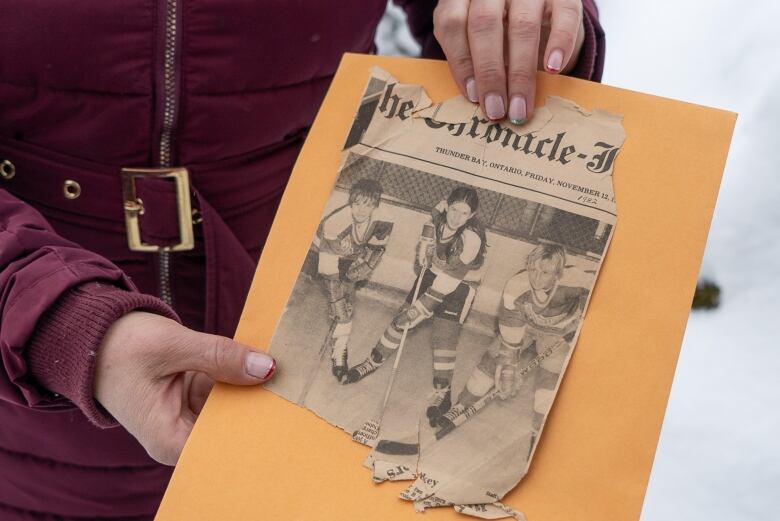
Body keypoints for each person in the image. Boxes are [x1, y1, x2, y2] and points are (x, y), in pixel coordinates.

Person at [0, 1, 605, 518]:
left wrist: (515, 35)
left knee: (426, 346)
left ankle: (419, 395)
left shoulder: (447, 238)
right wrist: (59, 325)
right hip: (31, 417)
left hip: (295, 383)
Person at [346, 186, 487, 426]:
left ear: (471, 216)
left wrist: (420, 309)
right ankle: (374, 361)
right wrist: (422, 252)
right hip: (433, 274)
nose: (456, 217)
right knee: (401, 320)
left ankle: (442, 394)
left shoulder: (470, 239)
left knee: (444, 339)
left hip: (460, 286)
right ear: (447, 205)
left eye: (464, 214)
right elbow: (429, 229)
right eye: (454, 210)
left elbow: (448, 283)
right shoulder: (438, 214)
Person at [434, 243, 590, 440]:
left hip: (558, 332)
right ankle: (461, 405)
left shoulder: (578, 280)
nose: (536, 277)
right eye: (533, 269)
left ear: (558, 273)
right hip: (523, 325)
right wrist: (508, 369)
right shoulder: (516, 286)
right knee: (493, 359)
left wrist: (586, 319)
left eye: (545, 272)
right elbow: (510, 341)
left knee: (551, 373)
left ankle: (539, 427)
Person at [316, 178, 393, 382]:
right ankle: (339, 351)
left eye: (367, 205)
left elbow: (376, 251)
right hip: (326, 255)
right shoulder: (336, 221)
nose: (361, 210)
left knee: (348, 307)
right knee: (341, 309)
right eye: (357, 203)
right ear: (351, 202)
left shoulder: (383, 221)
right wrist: (335, 299)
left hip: (351, 259)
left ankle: (339, 351)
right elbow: (327, 266)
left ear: (375, 205)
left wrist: (364, 268)